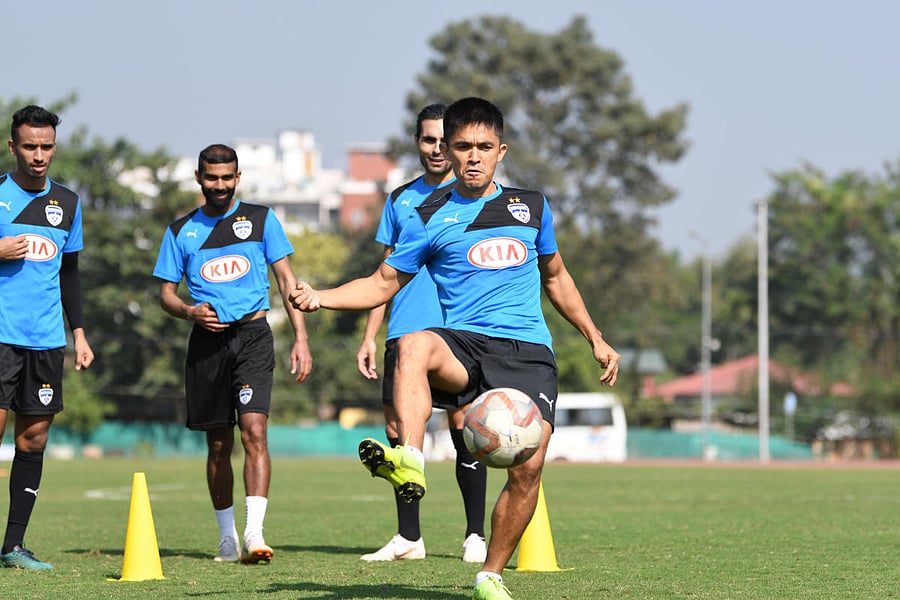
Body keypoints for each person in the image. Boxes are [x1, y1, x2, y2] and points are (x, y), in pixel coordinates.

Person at [290, 97, 620, 600]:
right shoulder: (428, 215)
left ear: (501, 151)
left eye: (483, 147)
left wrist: (594, 338)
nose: (472, 156)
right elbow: (382, 282)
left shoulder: (530, 206)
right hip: (463, 343)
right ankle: (411, 461)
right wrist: (320, 298)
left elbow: (556, 276)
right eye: (462, 145)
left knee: (528, 469)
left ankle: (489, 573)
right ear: (447, 148)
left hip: (528, 352)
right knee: (414, 343)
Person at [153, 144, 313, 564]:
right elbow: (165, 294)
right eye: (212, 178)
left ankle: (254, 534)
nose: (219, 185)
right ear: (199, 178)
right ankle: (226, 538)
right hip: (207, 345)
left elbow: (286, 280)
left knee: (254, 431)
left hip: (254, 336)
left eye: (227, 178)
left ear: (238, 178)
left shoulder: (261, 220)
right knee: (219, 444)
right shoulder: (180, 231)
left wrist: (301, 337)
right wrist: (190, 311)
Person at [355, 103, 487, 563]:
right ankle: (409, 537)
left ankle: (475, 535)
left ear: (453, 144)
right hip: (404, 329)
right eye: (427, 140)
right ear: (418, 143)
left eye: (441, 140)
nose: (435, 149)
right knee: (398, 431)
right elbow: (384, 273)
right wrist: (370, 335)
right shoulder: (401, 199)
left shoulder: (472, 197)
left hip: (455, 331)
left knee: (465, 426)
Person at [0, 105, 94, 570]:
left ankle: (13, 547)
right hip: (0, 338)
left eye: (47, 147)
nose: (39, 156)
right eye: (30, 146)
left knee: (33, 439)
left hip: (45, 341)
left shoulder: (68, 204)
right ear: (12, 146)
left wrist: (79, 333)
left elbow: (70, 274)